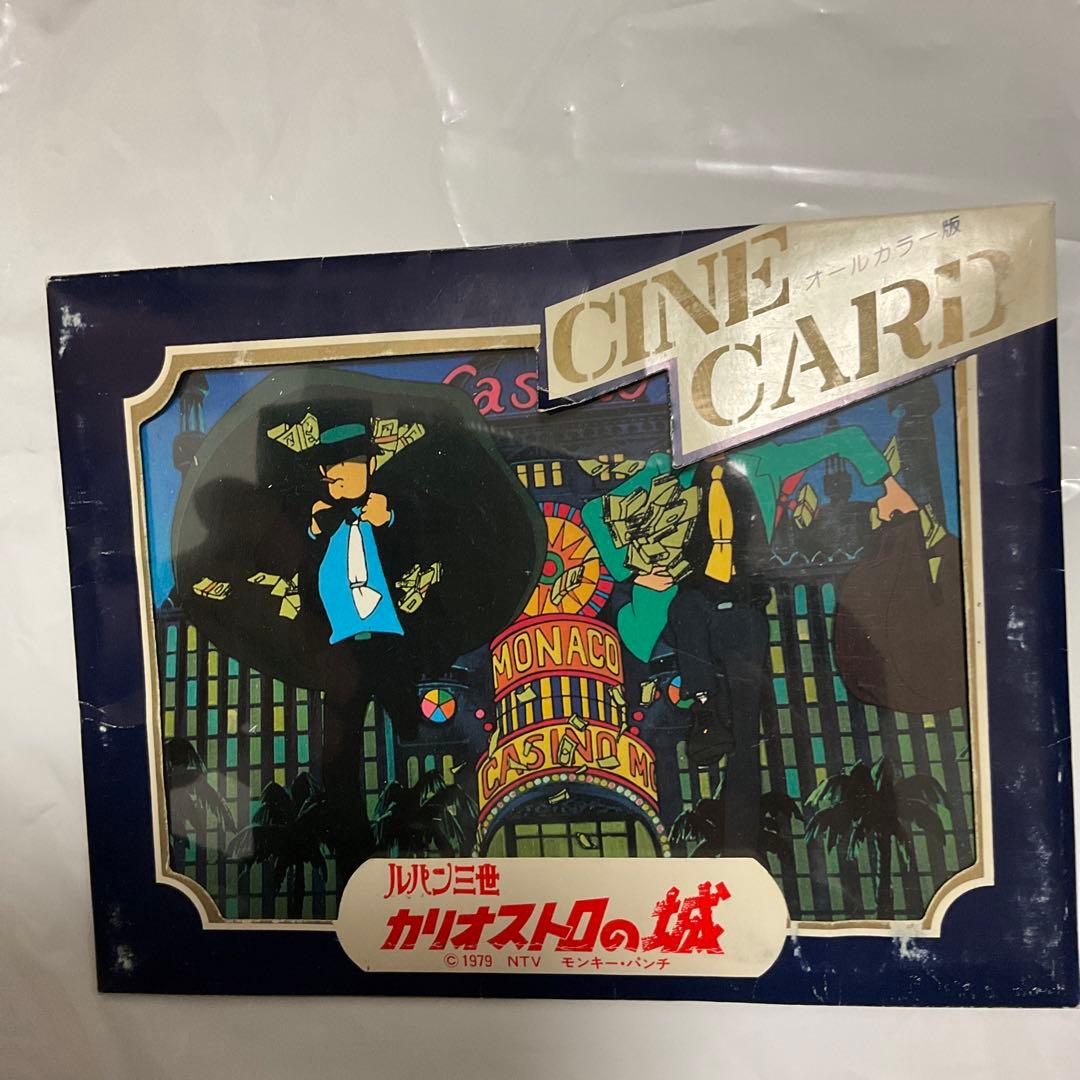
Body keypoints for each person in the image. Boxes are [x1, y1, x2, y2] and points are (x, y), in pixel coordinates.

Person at [582, 424, 917, 859]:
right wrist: (632, 570)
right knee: (687, 664)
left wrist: (888, 485)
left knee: (745, 733)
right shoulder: (665, 471)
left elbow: (844, 439)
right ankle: (701, 719)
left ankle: (740, 844)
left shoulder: (767, 461)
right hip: (686, 609)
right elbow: (594, 513)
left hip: (743, 608)